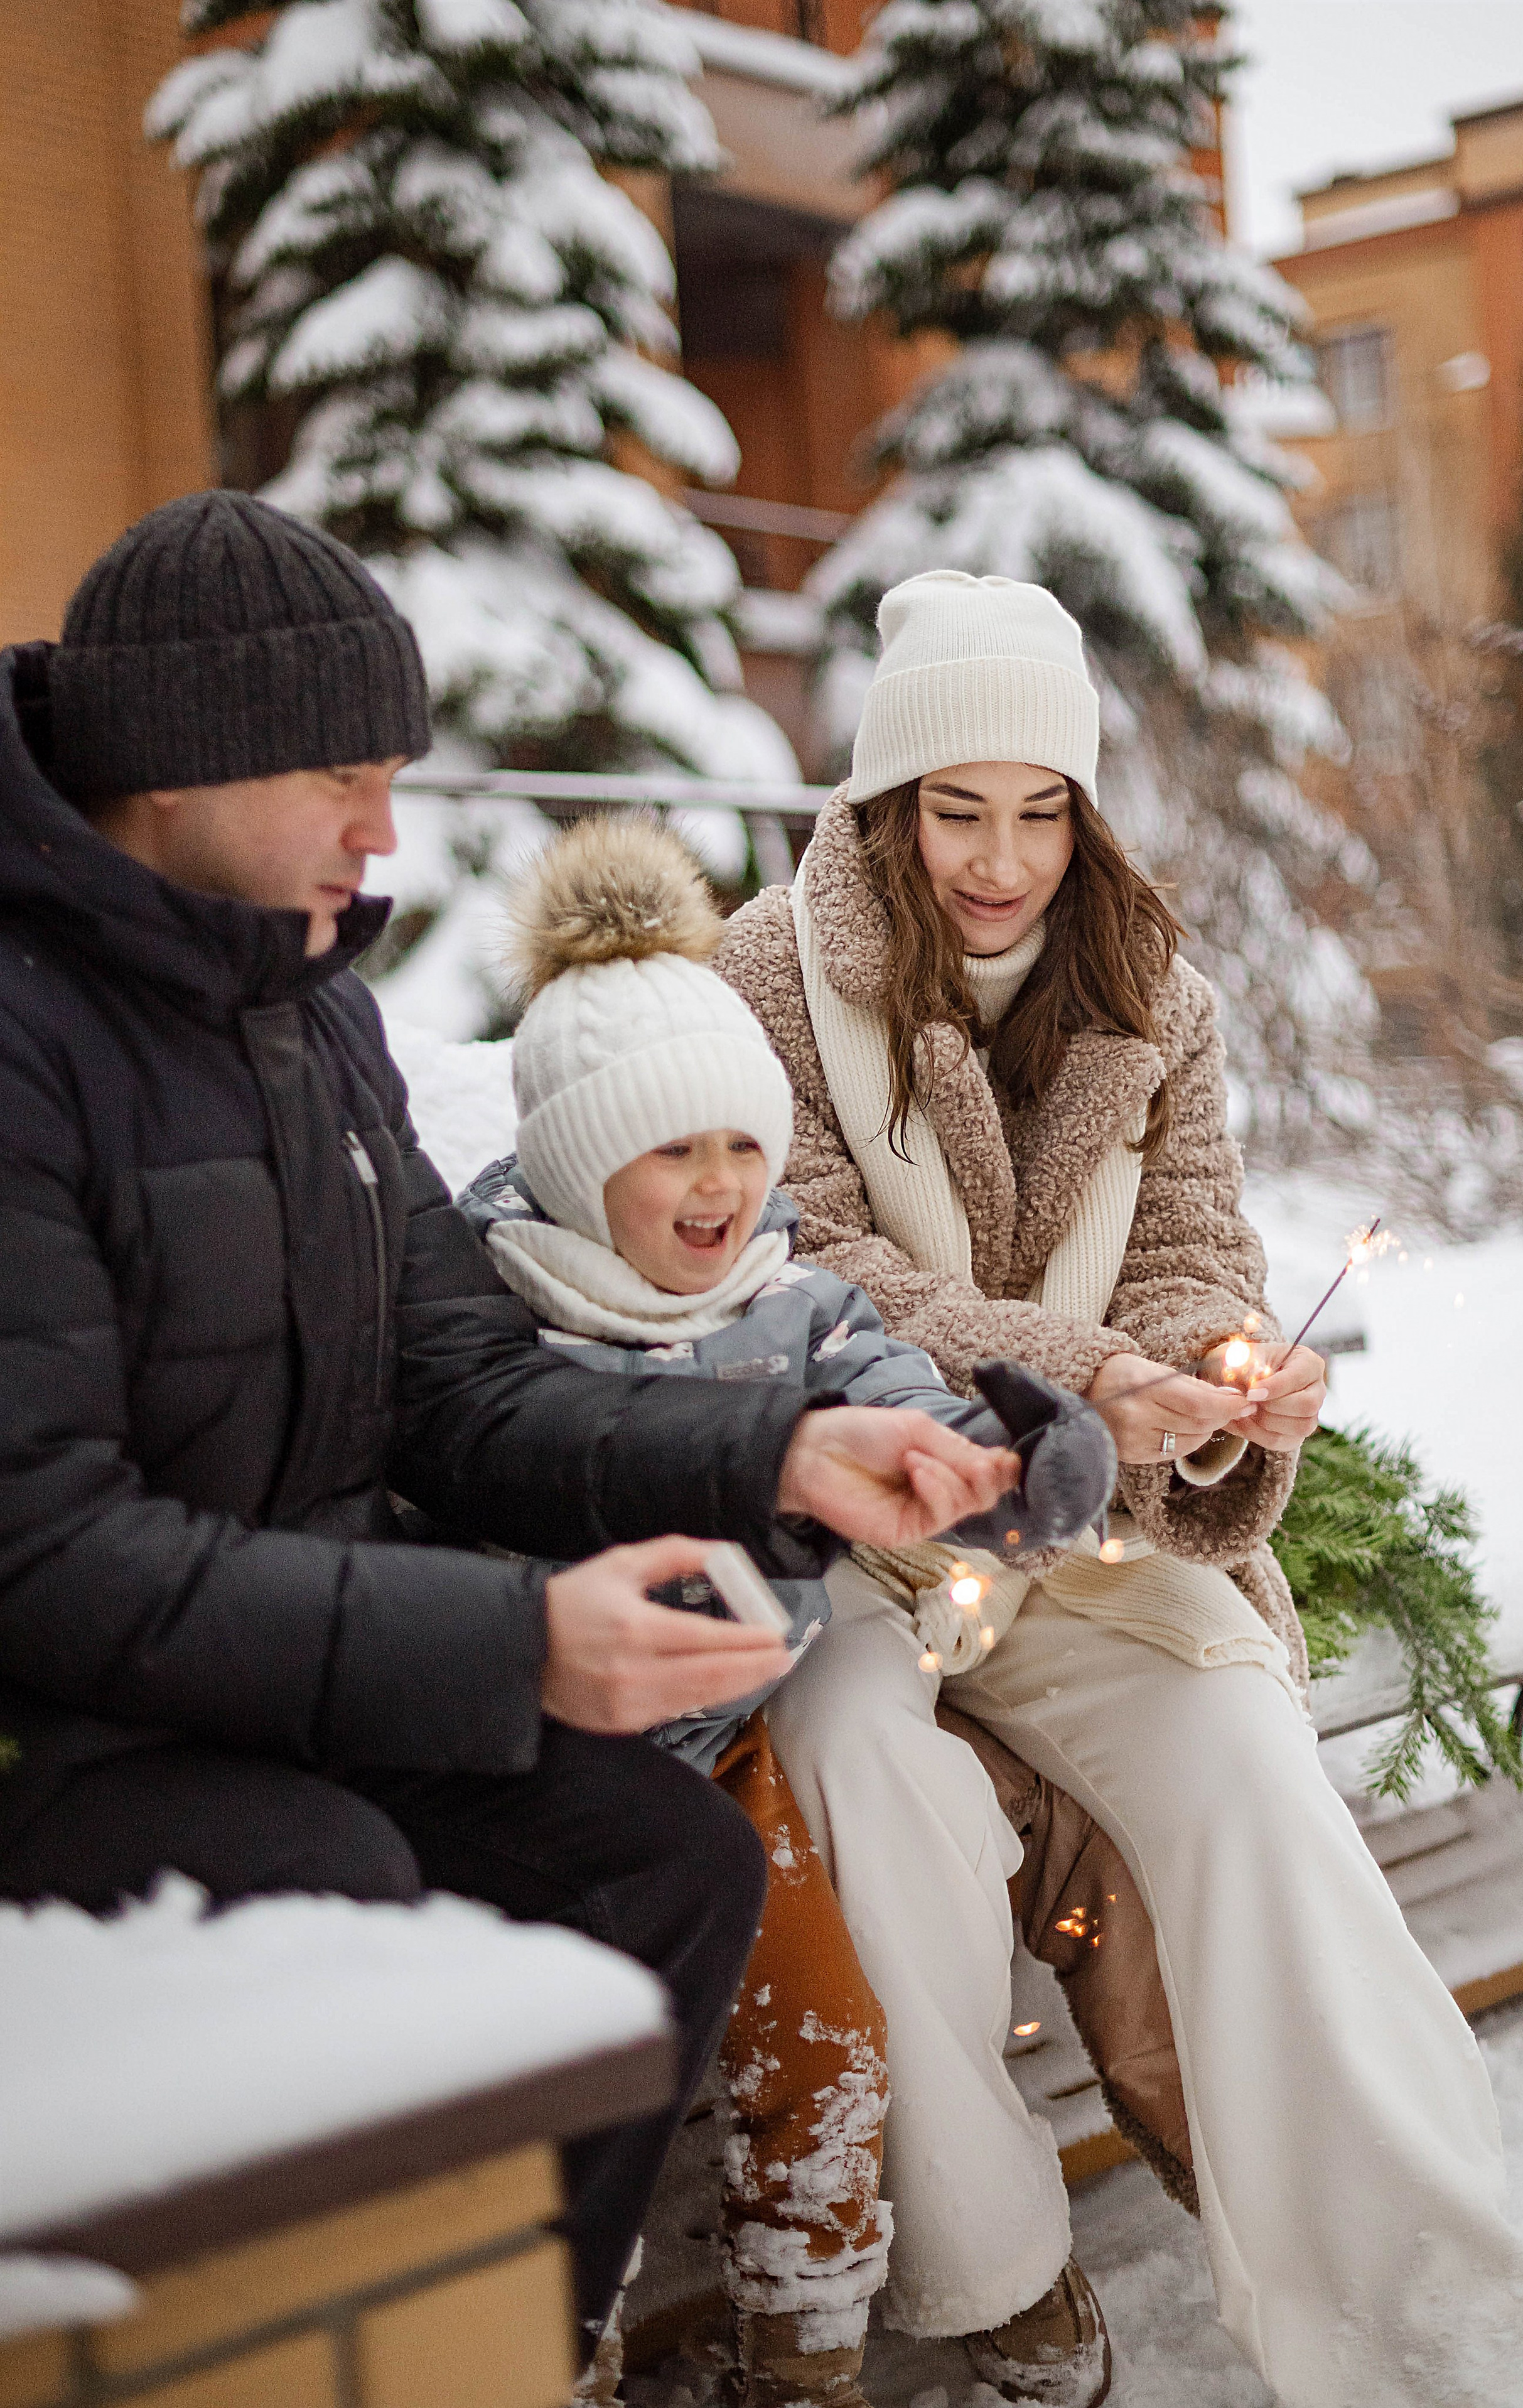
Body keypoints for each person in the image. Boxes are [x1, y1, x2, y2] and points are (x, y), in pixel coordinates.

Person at [0, 497, 1021, 2357]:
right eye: (342, 774)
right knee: (356, 1899)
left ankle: (504, 2353)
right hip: (75, 1723)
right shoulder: (23, 1039)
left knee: (669, 1863)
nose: (385, 832)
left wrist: (772, 1449)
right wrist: (512, 1637)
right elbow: (44, 1551)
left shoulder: (311, 1015)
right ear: (176, 762)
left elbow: (455, 1383)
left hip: (310, 1662)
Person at [716, 570, 1523, 2408]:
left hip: (1095, 1543)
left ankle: (1416, 2305)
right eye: (959, 809)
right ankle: (1002, 2273)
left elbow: (1195, 1240)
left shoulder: (1151, 991)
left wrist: (1216, 1375)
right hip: (872, 1537)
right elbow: (818, 1264)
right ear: (886, 803)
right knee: (867, 1778)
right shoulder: (763, 981)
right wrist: (1064, 1362)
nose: (1003, 859)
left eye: (1043, 809)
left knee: (1255, 1776)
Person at [456, 809, 1119, 2408]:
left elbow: (901, 1396)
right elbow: (453, 1517)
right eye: (669, 1146)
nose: (719, 1185)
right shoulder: (492, 1327)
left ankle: (805, 2348)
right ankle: (564, 2350)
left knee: (820, 2023)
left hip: (738, 1752)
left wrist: (1006, 1460)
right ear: (567, 1158)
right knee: (562, 2081)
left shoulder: (788, 1297)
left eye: (742, 1143)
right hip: (542, 1773)